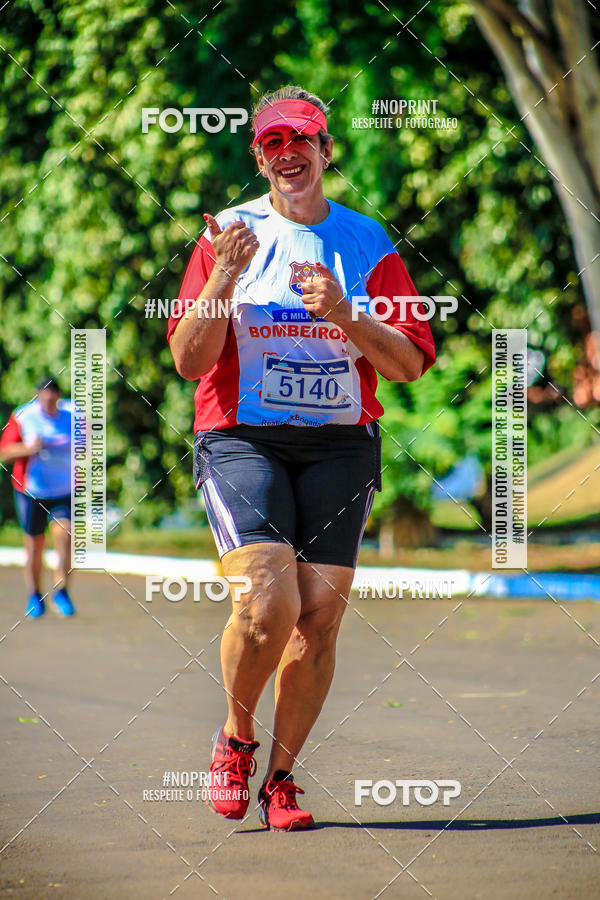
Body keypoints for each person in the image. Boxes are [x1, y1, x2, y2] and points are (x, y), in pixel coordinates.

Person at [168, 86, 435, 831]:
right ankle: (235, 740)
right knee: (267, 602)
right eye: (273, 143)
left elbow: (410, 364)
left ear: (325, 150)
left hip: (341, 443)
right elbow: (189, 362)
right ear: (260, 158)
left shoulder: (366, 242)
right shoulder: (229, 235)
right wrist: (224, 275)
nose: (289, 153)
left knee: (317, 620)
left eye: (302, 139)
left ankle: (281, 780)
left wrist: (346, 313)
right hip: (242, 436)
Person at [0, 377, 75, 618]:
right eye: (45, 398)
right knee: (35, 544)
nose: (49, 403)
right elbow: (4, 452)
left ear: (59, 397)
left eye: (53, 399)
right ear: (38, 396)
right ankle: (34, 595)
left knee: (65, 535)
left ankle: (61, 592)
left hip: (63, 490)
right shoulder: (24, 416)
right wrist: (29, 449)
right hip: (31, 491)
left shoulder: (73, 414)